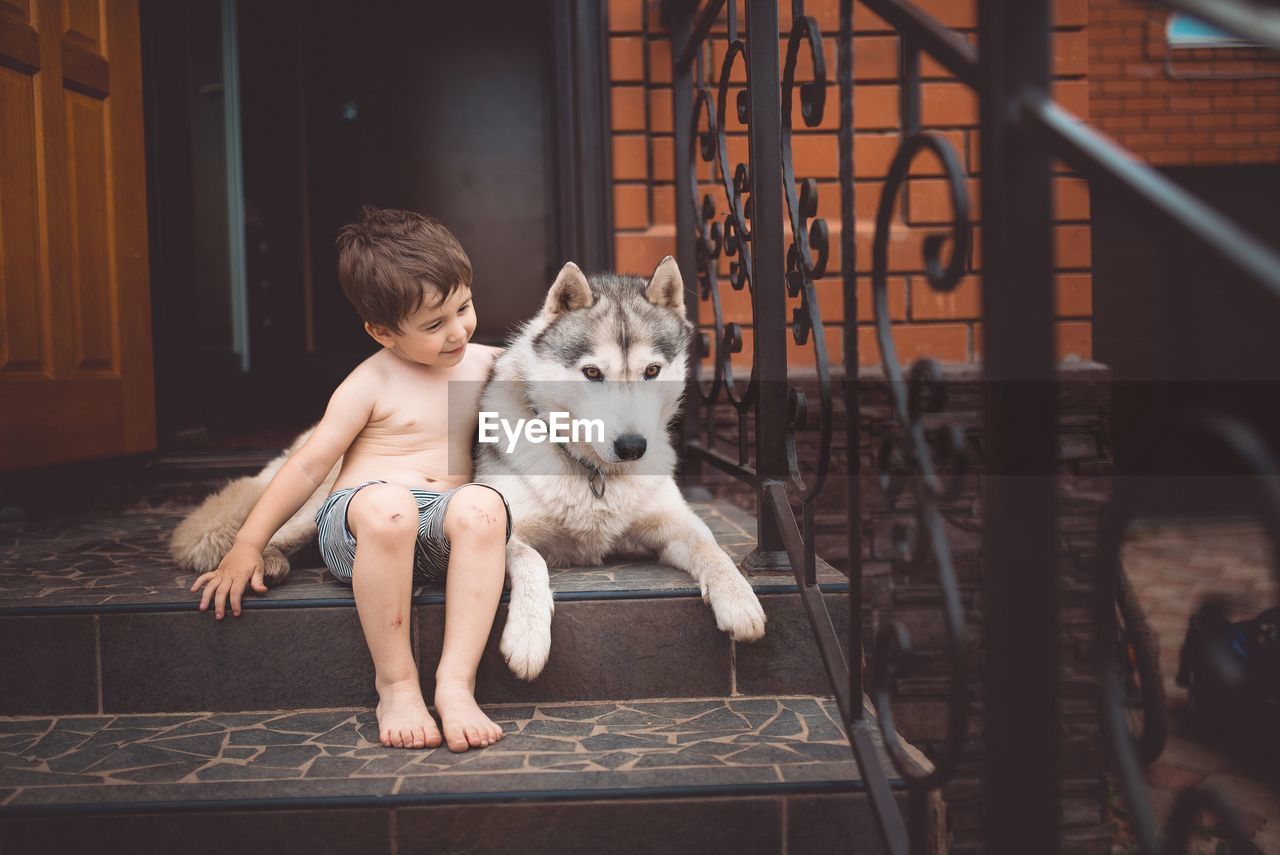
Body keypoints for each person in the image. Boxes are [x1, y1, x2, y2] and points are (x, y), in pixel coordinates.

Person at [191, 207, 509, 753]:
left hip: (439, 536)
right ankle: (398, 684)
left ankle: (456, 685)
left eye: (464, 307)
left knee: (485, 506)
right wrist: (248, 543)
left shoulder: (487, 364)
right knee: (391, 508)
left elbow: (560, 405)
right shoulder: (370, 381)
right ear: (382, 333)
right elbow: (310, 465)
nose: (457, 330)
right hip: (362, 529)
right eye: (434, 325)